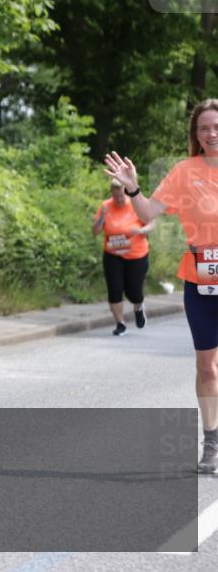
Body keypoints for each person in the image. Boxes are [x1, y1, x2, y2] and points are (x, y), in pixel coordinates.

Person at [104, 99, 218, 474]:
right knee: (207, 367)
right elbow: (149, 212)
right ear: (196, 134)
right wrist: (133, 189)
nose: (212, 133)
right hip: (201, 281)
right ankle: (212, 442)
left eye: (217, 126)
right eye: (204, 127)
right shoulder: (185, 172)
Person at [91, 178, 156, 335]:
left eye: (121, 196)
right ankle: (120, 323)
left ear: (125, 193)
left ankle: (138, 307)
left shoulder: (135, 204)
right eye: (115, 197)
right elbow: (95, 231)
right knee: (114, 289)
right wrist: (102, 217)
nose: (119, 199)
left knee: (133, 291)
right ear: (111, 194)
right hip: (113, 254)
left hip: (136, 254)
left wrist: (141, 231)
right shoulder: (105, 206)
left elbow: (152, 223)